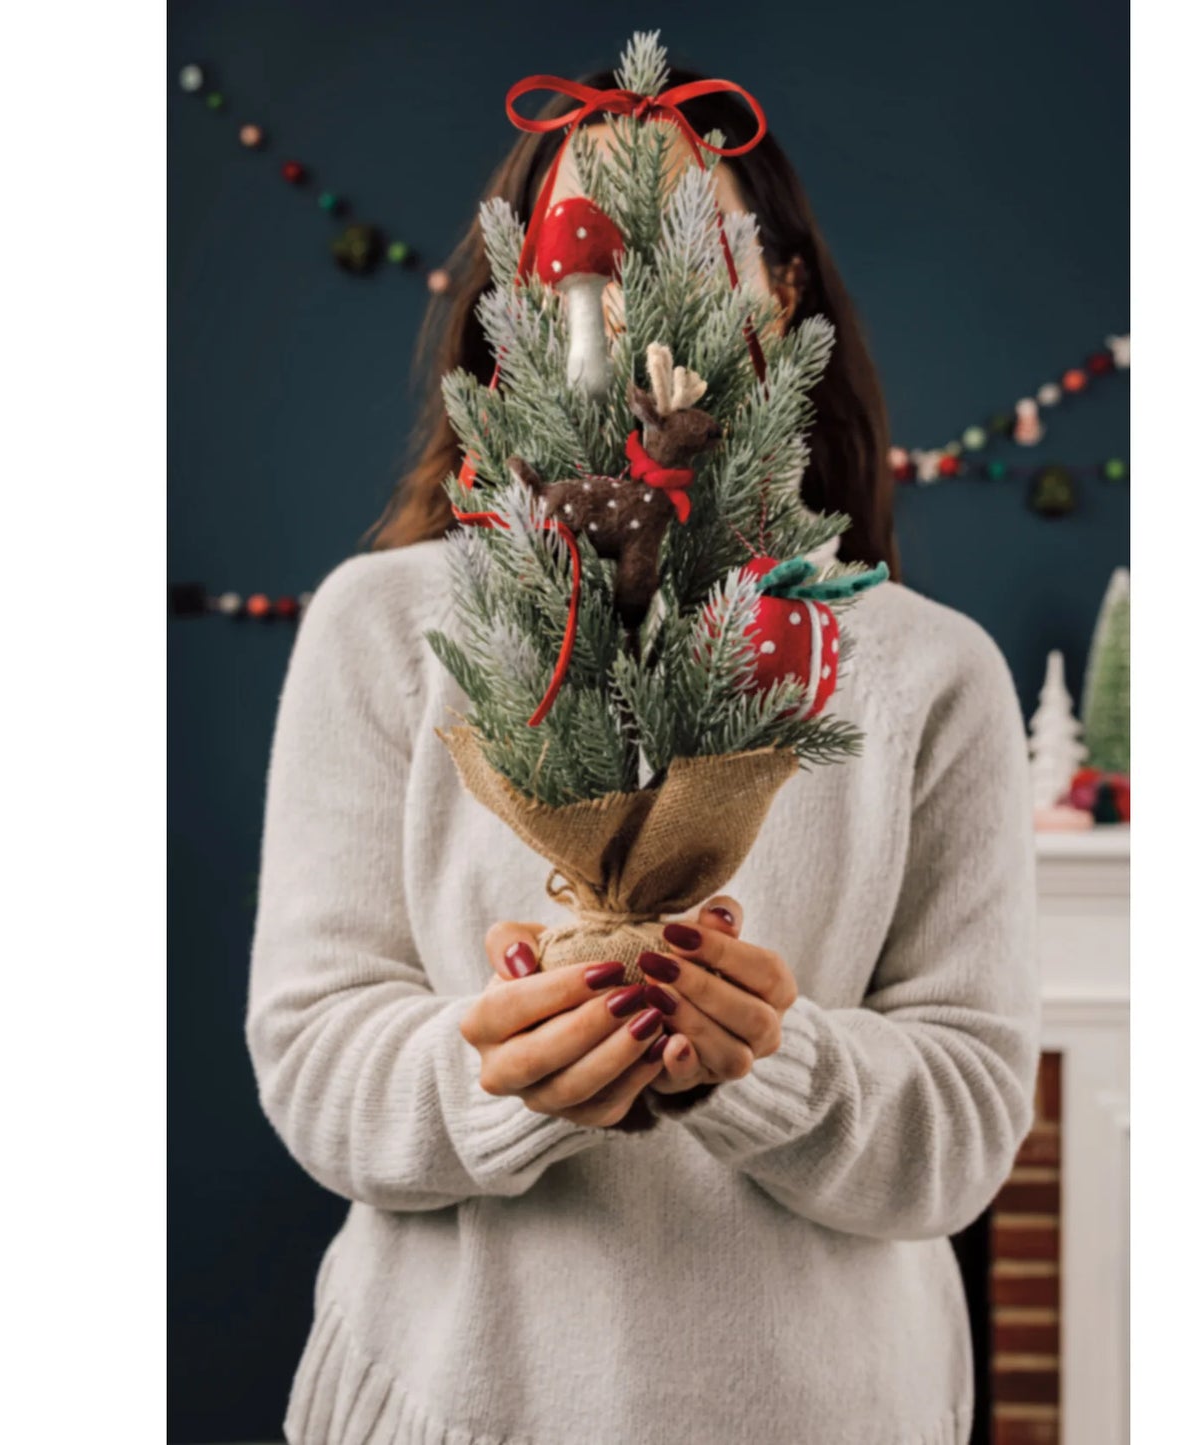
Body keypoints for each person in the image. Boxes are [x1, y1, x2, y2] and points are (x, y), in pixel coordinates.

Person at [247, 64, 1039, 1445]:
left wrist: (772, 1061)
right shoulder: (380, 629)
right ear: (516, 309)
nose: (636, 297)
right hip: (451, 1404)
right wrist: (491, 1067)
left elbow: (967, 1117)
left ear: (781, 295)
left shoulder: (929, 673)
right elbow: (316, 1057)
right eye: (586, 258)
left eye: (693, 246)